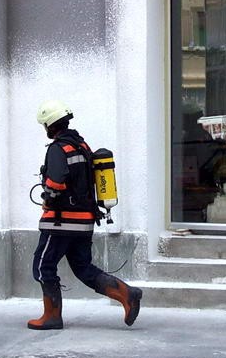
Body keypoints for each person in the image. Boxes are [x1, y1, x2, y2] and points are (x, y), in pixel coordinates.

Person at [28, 100, 142, 330]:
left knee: (42, 266)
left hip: (60, 222)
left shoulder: (58, 148)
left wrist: (47, 197)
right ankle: (126, 294)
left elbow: (56, 182)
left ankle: (51, 316)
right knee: (83, 268)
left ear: (50, 125)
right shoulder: (82, 146)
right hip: (84, 222)